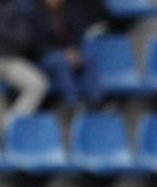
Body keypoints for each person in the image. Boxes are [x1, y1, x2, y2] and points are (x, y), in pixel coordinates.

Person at [30, 0, 102, 107]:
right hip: (46, 56)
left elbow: (79, 35)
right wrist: (64, 53)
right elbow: (37, 45)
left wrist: (75, 50)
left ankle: (97, 102)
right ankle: (73, 104)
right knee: (62, 62)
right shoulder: (35, 15)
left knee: (87, 58)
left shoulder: (72, 11)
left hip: (71, 52)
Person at [0, 0, 47, 128]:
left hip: (11, 59)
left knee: (37, 84)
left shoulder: (17, 8)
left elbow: (24, 39)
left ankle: (10, 126)